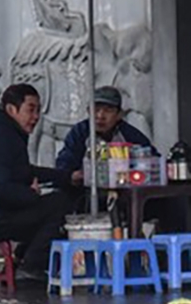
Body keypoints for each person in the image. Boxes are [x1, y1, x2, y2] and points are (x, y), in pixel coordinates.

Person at [0, 84, 78, 279]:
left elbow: (23, 171)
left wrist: (66, 176)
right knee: (59, 204)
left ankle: (22, 258)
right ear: (12, 110)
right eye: (30, 109)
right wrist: (30, 195)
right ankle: (31, 266)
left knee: (57, 200)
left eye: (38, 110)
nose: (35, 117)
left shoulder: (6, 132)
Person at [57, 86, 188, 233]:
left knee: (172, 201)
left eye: (108, 110)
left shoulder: (129, 135)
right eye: (96, 109)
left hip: (126, 195)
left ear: (119, 115)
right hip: (88, 196)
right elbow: (63, 168)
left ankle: (173, 249)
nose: (100, 115)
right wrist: (77, 175)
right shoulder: (79, 134)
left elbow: (152, 159)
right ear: (89, 111)